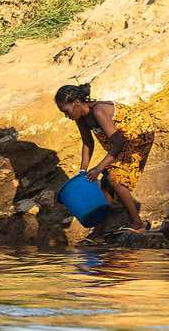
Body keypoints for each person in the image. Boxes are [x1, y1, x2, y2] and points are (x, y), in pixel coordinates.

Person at [55, 83, 154, 233]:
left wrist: (99, 167)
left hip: (139, 136)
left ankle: (137, 224)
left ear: (76, 104)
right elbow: (88, 142)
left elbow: (119, 142)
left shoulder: (98, 112)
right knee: (106, 181)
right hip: (120, 139)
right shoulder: (80, 118)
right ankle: (98, 232)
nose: (66, 116)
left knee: (115, 179)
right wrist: (83, 171)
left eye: (66, 111)